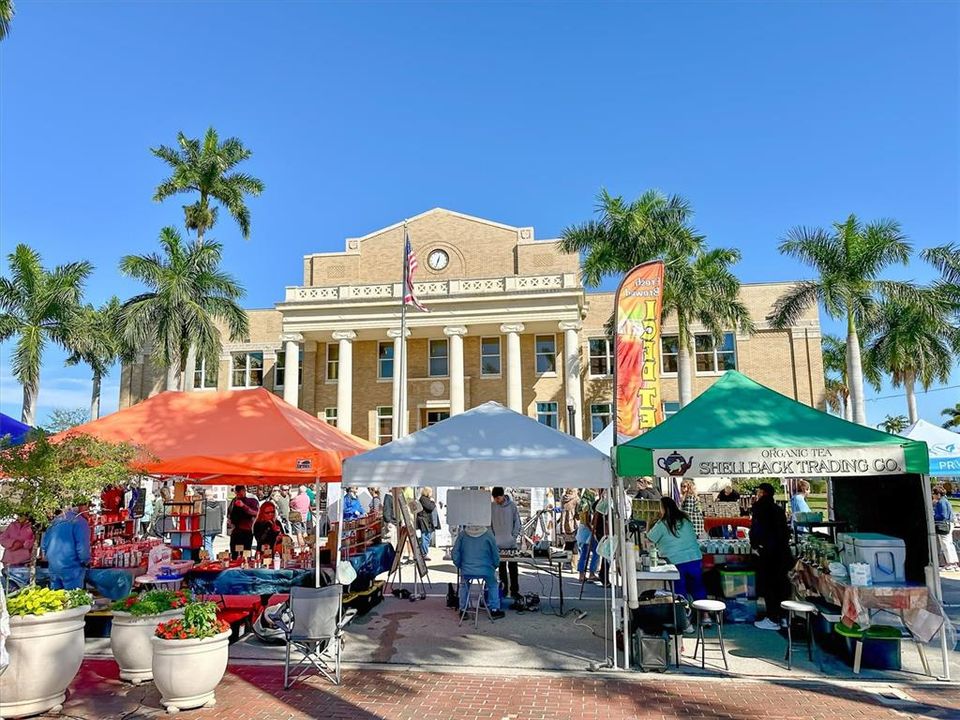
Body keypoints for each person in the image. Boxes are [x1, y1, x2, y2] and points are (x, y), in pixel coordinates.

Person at [645, 498, 706, 603]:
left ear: (663, 509)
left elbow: (650, 537)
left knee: (679, 592)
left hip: (675, 561)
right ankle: (705, 615)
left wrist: (649, 522)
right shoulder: (685, 519)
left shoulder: (662, 524)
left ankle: (684, 614)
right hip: (694, 558)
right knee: (698, 588)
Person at [750, 482, 793, 630]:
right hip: (782, 552)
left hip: (768, 553)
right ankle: (783, 617)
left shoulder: (760, 509)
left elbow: (756, 530)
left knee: (769, 586)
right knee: (781, 585)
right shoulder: (778, 510)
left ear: (762, 493)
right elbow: (785, 532)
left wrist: (756, 544)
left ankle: (772, 617)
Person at [452, 525, 504, 619]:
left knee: (464, 584)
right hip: (486, 570)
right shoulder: (488, 534)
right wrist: (495, 565)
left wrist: (460, 565)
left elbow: (455, 553)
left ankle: (463, 609)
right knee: (493, 584)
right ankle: (494, 609)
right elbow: (495, 554)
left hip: (467, 569)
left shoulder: (463, 535)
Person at [40, 503, 91, 590]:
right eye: (88, 507)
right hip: (72, 568)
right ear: (80, 507)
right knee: (73, 599)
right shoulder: (80, 521)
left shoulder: (54, 522)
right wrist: (86, 561)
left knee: (56, 599)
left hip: (54, 567)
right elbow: (82, 548)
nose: (89, 510)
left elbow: (44, 545)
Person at [491, 487, 522, 599]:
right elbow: (489, 523)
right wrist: (493, 537)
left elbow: (517, 522)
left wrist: (513, 536)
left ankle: (514, 590)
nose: (496, 501)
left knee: (513, 568)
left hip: (511, 543)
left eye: (497, 498)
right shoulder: (492, 506)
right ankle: (504, 589)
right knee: (501, 568)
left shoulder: (512, 506)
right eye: (494, 499)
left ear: (502, 496)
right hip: (497, 543)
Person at [228, 485, 259, 559]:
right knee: (235, 554)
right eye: (237, 492)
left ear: (245, 491)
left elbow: (256, 513)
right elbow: (230, 515)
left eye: (241, 491)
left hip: (247, 531)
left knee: (246, 554)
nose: (239, 494)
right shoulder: (234, 501)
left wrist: (243, 506)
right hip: (236, 532)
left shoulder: (252, 500)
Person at [576, 489, 600, 582]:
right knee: (596, 551)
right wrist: (592, 530)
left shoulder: (582, 503)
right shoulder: (586, 505)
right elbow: (587, 521)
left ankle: (582, 574)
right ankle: (591, 573)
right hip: (587, 531)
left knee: (584, 553)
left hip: (582, 530)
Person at [933, 485, 958, 571]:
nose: (933, 495)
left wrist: (933, 515)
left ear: (938, 494)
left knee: (945, 544)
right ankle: (954, 562)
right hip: (949, 524)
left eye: (934, 493)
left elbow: (943, 515)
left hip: (943, 525)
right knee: (950, 544)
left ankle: (950, 563)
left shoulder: (941, 502)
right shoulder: (945, 501)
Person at [200, 489, 225, 560]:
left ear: (205, 495)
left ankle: (211, 561)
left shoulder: (203, 505)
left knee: (208, 545)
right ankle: (210, 560)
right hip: (216, 528)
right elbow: (222, 517)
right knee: (210, 544)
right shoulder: (219, 504)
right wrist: (220, 526)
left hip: (206, 529)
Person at [416, 488, 440, 558]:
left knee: (427, 537)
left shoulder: (424, 499)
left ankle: (423, 552)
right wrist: (432, 501)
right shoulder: (424, 499)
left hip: (427, 521)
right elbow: (431, 507)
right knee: (426, 537)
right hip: (425, 522)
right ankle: (424, 553)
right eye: (431, 492)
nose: (431, 493)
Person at [559, 489, 580, 559]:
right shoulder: (576, 499)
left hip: (564, 524)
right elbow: (578, 514)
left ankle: (564, 562)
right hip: (573, 524)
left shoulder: (563, 499)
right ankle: (574, 565)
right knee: (574, 545)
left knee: (568, 544)